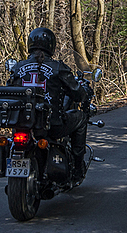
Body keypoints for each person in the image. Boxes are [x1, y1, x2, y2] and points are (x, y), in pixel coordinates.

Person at [7, 27, 89, 182]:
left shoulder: (18, 67)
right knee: (81, 117)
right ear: (51, 45)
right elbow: (77, 94)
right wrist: (83, 92)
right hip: (52, 125)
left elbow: (9, 90)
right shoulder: (58, 67)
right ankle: (78, 167)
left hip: (22, 123)